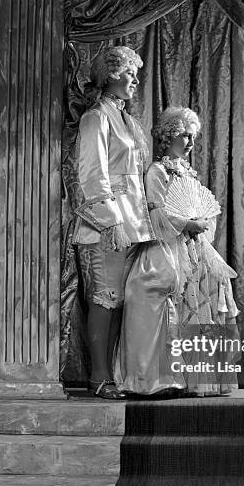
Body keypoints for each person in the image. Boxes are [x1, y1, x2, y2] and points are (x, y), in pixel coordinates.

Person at [115, 107, 239, 396]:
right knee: (161, 295)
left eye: (193, 136)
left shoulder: (189, 172)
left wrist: (203, 224)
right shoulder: (157, 172)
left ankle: (199, 379)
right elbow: (156, 215)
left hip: (193, 248)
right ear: (169, 134)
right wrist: (187, 223)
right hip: (166, 246)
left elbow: (202, 209)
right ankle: (162, 378)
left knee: (213, 292)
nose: (190, 142)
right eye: (185, 135)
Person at [73, 46, 155, 399]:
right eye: (129, 73)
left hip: (134, 224)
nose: (135, 80)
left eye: (136, 74)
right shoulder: (96, 118)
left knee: (122, 301)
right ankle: (100, 378)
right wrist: (111, 222)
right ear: (110, 76)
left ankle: (116, 375)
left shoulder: (129, 122)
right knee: (105, 299)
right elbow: (92, 174)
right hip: (106, 226)